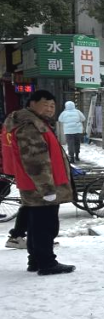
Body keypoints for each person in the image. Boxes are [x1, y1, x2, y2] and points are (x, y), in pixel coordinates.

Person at [0, 90, 75, 275]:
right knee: (45, 226)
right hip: (41, 185)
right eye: (45, 104)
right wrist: (47, 189)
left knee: (36, 225)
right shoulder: (30, 125)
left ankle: (35, 260)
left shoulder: (35, 122)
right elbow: (35, 160)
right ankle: (47, 263)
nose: (49, 109)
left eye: (52, 105)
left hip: (35, 184)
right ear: (32, 103)